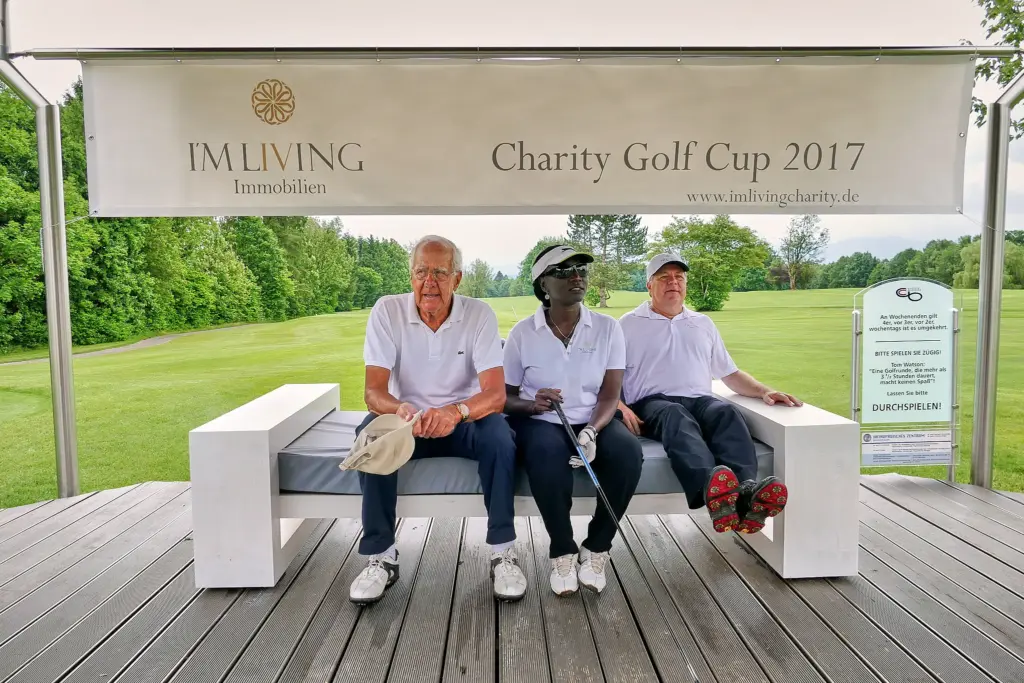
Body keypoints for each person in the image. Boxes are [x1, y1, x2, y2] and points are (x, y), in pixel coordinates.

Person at [349, 235, 527, 604]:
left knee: (499, 435)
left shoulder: (479, 314)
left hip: (463, 420)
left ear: (457, 278)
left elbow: (495, 395)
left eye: (440, 273)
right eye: (421, 272)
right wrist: (401, 410)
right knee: (371, 435)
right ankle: (381, 556)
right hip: (408, 422)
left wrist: (455, 412)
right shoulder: (387, 311)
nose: (429, 282)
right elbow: (373, 392)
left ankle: (502, 552)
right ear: (411, 276)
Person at [618, 252, 800, 535]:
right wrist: (618, 405)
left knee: (726, 412)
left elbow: (730, 374)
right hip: (651, 404)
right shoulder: (627, 324)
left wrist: (765, 391)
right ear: (649, 285)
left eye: (679, 277)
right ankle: (712, 492)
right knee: (675, 414)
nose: (673, 282)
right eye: (664, 277)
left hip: (699, 400)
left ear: (686, 284)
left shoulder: (702, 324)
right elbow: (607, 374)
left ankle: (746, 492)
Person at [503, 244, 643, 596]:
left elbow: (610, 395)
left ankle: (597, 547)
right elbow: (504, 397)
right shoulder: (523, 333)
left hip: (595, 419)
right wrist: (531, 404)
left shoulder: (608, 328)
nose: (576, 276)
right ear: (543, 285)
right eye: (563, 271)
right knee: (546, 456)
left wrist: (592, 431)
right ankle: (562, 550)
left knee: (628, 453)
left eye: (581, 269)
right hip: (541, 421)